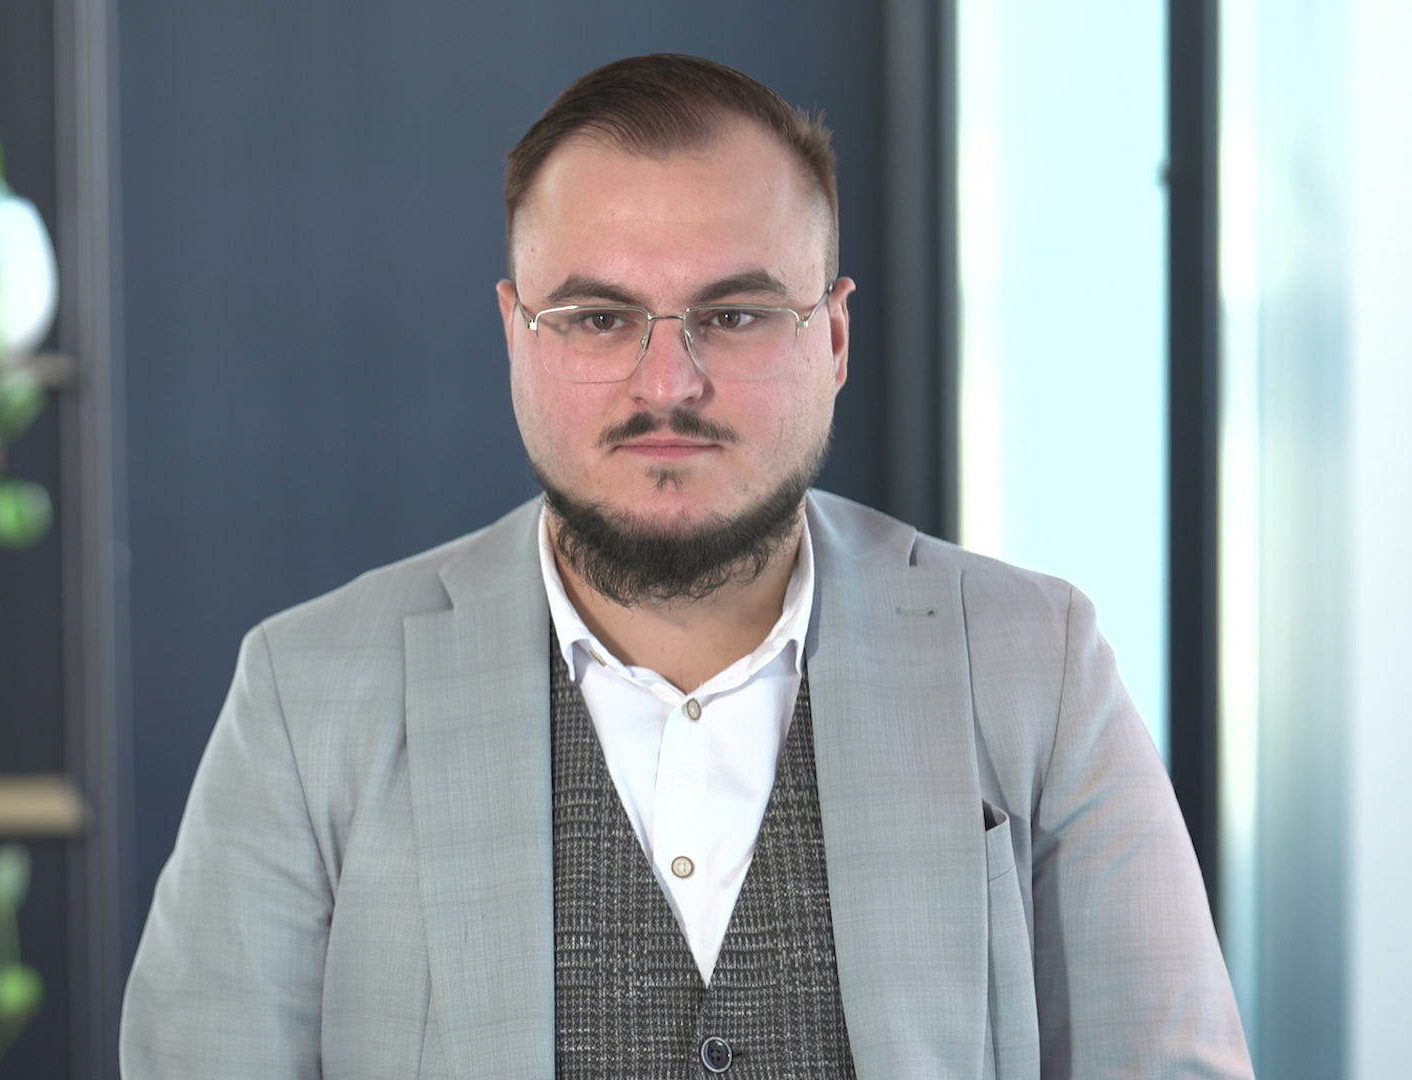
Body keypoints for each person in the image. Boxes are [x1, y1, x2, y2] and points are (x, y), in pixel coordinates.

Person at [120, 54, 1251, 1079]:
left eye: (738, 314)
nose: (668, 385)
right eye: (597, 318)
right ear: (516, 336)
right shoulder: (306, 695)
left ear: (834, 339)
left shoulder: (1036, 664)